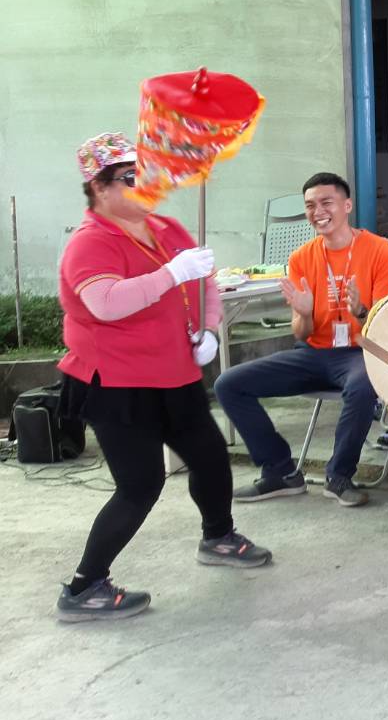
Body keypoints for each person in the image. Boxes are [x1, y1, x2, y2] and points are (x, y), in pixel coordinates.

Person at [53, 133, 271, 621]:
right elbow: (106, 304)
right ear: (99, 187)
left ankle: (217, 535)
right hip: (118, 383)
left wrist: (209, 329)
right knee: (140, 485)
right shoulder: (90, 243)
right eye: (130, 178)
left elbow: (205, 281)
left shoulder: (168, 227)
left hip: (174, 373)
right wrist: (170, 275)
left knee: (212, 457)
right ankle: (84, 587)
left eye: (146, 175)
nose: (144, 185)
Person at [216, 172, 388, 508]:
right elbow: (300, 333)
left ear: (346, 205)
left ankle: (339, 476)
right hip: (314, 352)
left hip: (359, 352)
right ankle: (279, 471)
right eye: (310, 205)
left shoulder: (381, 252)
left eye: (326, 202)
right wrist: (304, 313)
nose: (317, 211)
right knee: (228, 384)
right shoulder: (301, 257)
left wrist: (361, 310)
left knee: (363, 385)